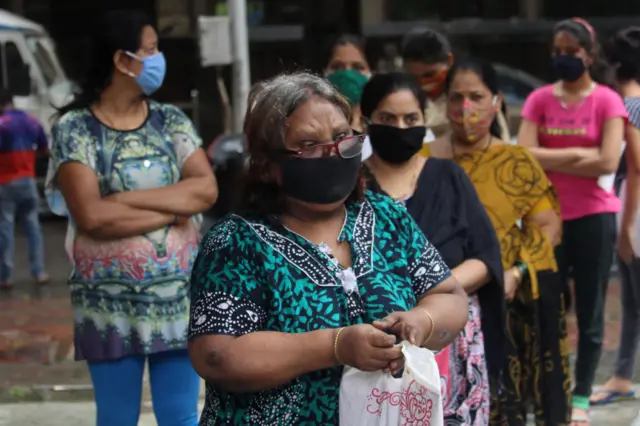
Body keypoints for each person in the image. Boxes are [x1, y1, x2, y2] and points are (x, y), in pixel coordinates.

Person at [187, 72, 469, 425]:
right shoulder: (235, 243)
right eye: (310, 145)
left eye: (341, 138)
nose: (333, 153)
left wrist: (420, 321)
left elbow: (450, 296)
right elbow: (216, 354)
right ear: (268, 164)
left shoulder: (387, 218)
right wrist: (335, 346)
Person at [46, 11, 217, 426]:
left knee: (180, 416)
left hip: (177, 300)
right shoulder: (76, 129)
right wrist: (173, 207)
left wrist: (124, 198)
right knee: (117, 417)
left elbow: (205, 190)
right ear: (122, 61)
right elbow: (92, 217)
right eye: (151, 49)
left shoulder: (170, 121)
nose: (159, 58)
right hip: (108, 307)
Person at [425, 58, 570, 425]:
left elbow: (547, 228)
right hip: (434, 304)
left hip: (504, 305)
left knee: (504, 404)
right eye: (456, 98)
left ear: (497, 101)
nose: (466, 109)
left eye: (477, 96)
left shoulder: (517, 161)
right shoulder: (424, 160)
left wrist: (517, 273)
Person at [361, 72, 505, 425]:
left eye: (411, 119)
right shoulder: (352, 186)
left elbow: (486, 258)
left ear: (424, 122)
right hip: (378, 344)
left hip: (453, 339)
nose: (399, 127)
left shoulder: (448, 177)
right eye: (387, 119)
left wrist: (434, 291)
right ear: (365, 122)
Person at [517, 18, 628, 425]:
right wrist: (580, 155)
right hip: (548, 220)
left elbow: (609, 160)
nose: (563, 58)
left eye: (571, 52)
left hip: (595, 219)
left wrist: (556, 156)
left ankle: (581, 395)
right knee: (547, 308)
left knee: (592, 311)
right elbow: (524, 153)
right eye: (557, 51)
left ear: (589, 55)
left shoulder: (607, 101)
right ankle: (552, 390)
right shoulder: (540, 99)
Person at [589, 26, 640, 407]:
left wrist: (625, 231)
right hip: (629, 205)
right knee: (631, 301)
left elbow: (637, 168)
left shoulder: (630, 105)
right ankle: (623, 375)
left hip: (633, 209)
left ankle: (623, 375)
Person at [401, 27, 511, 142]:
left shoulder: (474, 97)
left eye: (430, 75)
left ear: (449, 60)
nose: (423, 83)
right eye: (415, 77)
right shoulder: (405, 100)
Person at [0, 89, 49, 289]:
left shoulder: (2, 124)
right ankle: (39, 272)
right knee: (33, 227)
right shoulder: (32, 121)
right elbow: (45, 149)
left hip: (5, 183)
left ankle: (6, 276)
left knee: (5, 228)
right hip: (28, 180)